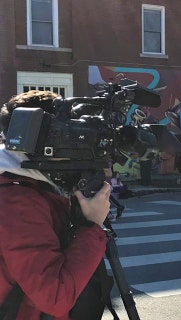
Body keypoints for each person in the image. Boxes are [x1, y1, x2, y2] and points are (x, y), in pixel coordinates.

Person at [0, 90, 112, 319]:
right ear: (45, 141)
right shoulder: (18, 201)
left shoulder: (27, 181)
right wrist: (92, 226)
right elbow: (54, 298)